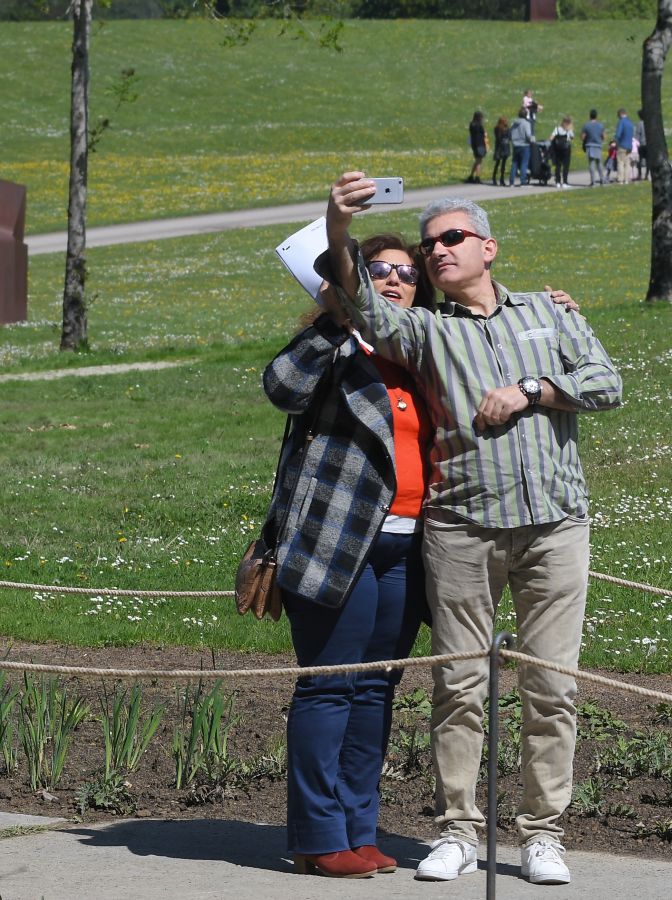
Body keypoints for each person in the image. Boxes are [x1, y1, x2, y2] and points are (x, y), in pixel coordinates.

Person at [321, 175, 622, 887]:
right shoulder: (425, 330)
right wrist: (337, 225)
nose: (435, 253)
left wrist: (533, 391)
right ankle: (457, 830)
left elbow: (607, 382)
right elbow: (358, 298)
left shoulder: (548, 314)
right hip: (461, 529)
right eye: (427, 247)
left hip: (555, 527)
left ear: (489, 246)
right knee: (459, 686)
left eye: (451, 239)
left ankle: (542, 836)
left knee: (552, 688)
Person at [263, 232, 435, 881]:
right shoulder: (338, 345)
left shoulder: (419, 352)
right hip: (336, 543)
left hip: (407, 548)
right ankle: (316, 835)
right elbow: (279, 386)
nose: (395, 281)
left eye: (408, 275)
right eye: (381, 272)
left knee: (375, 691)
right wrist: (337, 316)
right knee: (331, 685)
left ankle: (358, 829)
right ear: (354, 281)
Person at [509, 107, 534, 187]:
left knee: (514, 163)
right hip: (524, 145)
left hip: (515, 145)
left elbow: (510, 133)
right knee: (524, 163)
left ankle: (511, 182)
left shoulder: (514, 123)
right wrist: (532, 139)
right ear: (526, 115)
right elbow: (528, 135)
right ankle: (523, 181)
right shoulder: (526, 123)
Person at [548, 115, 575, 188]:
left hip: (557, 149)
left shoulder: (557, 129)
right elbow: (572, 137)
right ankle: (565, 182)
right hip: (566, 149)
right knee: (566, 166)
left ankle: (558, 182)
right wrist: (570, 129)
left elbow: (551, 138)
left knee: (558, 166)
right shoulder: (569, 130)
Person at [580, 109, 605, 187]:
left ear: (590, 116)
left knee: (592, 164)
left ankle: (593, 181)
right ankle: (602, 179)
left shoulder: (586, 125)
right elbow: (603, 136)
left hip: (590, 145)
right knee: (599, 163)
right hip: (598, 145)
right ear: (596, 116)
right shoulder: (600, 125)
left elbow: (583, 137)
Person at [613, 109, 634, 185]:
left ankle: (620, 179)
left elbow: (618, 134)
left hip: (622, 145)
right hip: (629, 145)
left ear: (620, 114)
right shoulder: (630, 122)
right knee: (627, 163)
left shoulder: (621, 122)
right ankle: (626, 179)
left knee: (620, 162)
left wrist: (615, 141)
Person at [467, 111, 487, 184]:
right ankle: (477, 177)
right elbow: (483, 134)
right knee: (479, 161)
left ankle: (471, 176)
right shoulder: (479, 126)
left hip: (474, 144)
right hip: (480, 144)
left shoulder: (471, 125)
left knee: (477, 161)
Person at [491, 116, 511, 187]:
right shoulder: (498, 129)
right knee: (498, 163)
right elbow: (499, 138)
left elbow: (509, 137)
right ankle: (494, 178)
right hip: (500, 148)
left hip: (504, 147)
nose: (506, 122)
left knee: (503, 164)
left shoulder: (507, 129)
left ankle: (501, 179)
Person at [632, 112, 648, 181]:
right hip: (648, 144)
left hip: (641, 144)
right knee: (648, 160)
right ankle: (647, 174)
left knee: (640, 160)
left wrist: (636, 143)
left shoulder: (639, 124)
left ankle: (640, 174)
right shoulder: (648, 123)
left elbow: (637, 135)